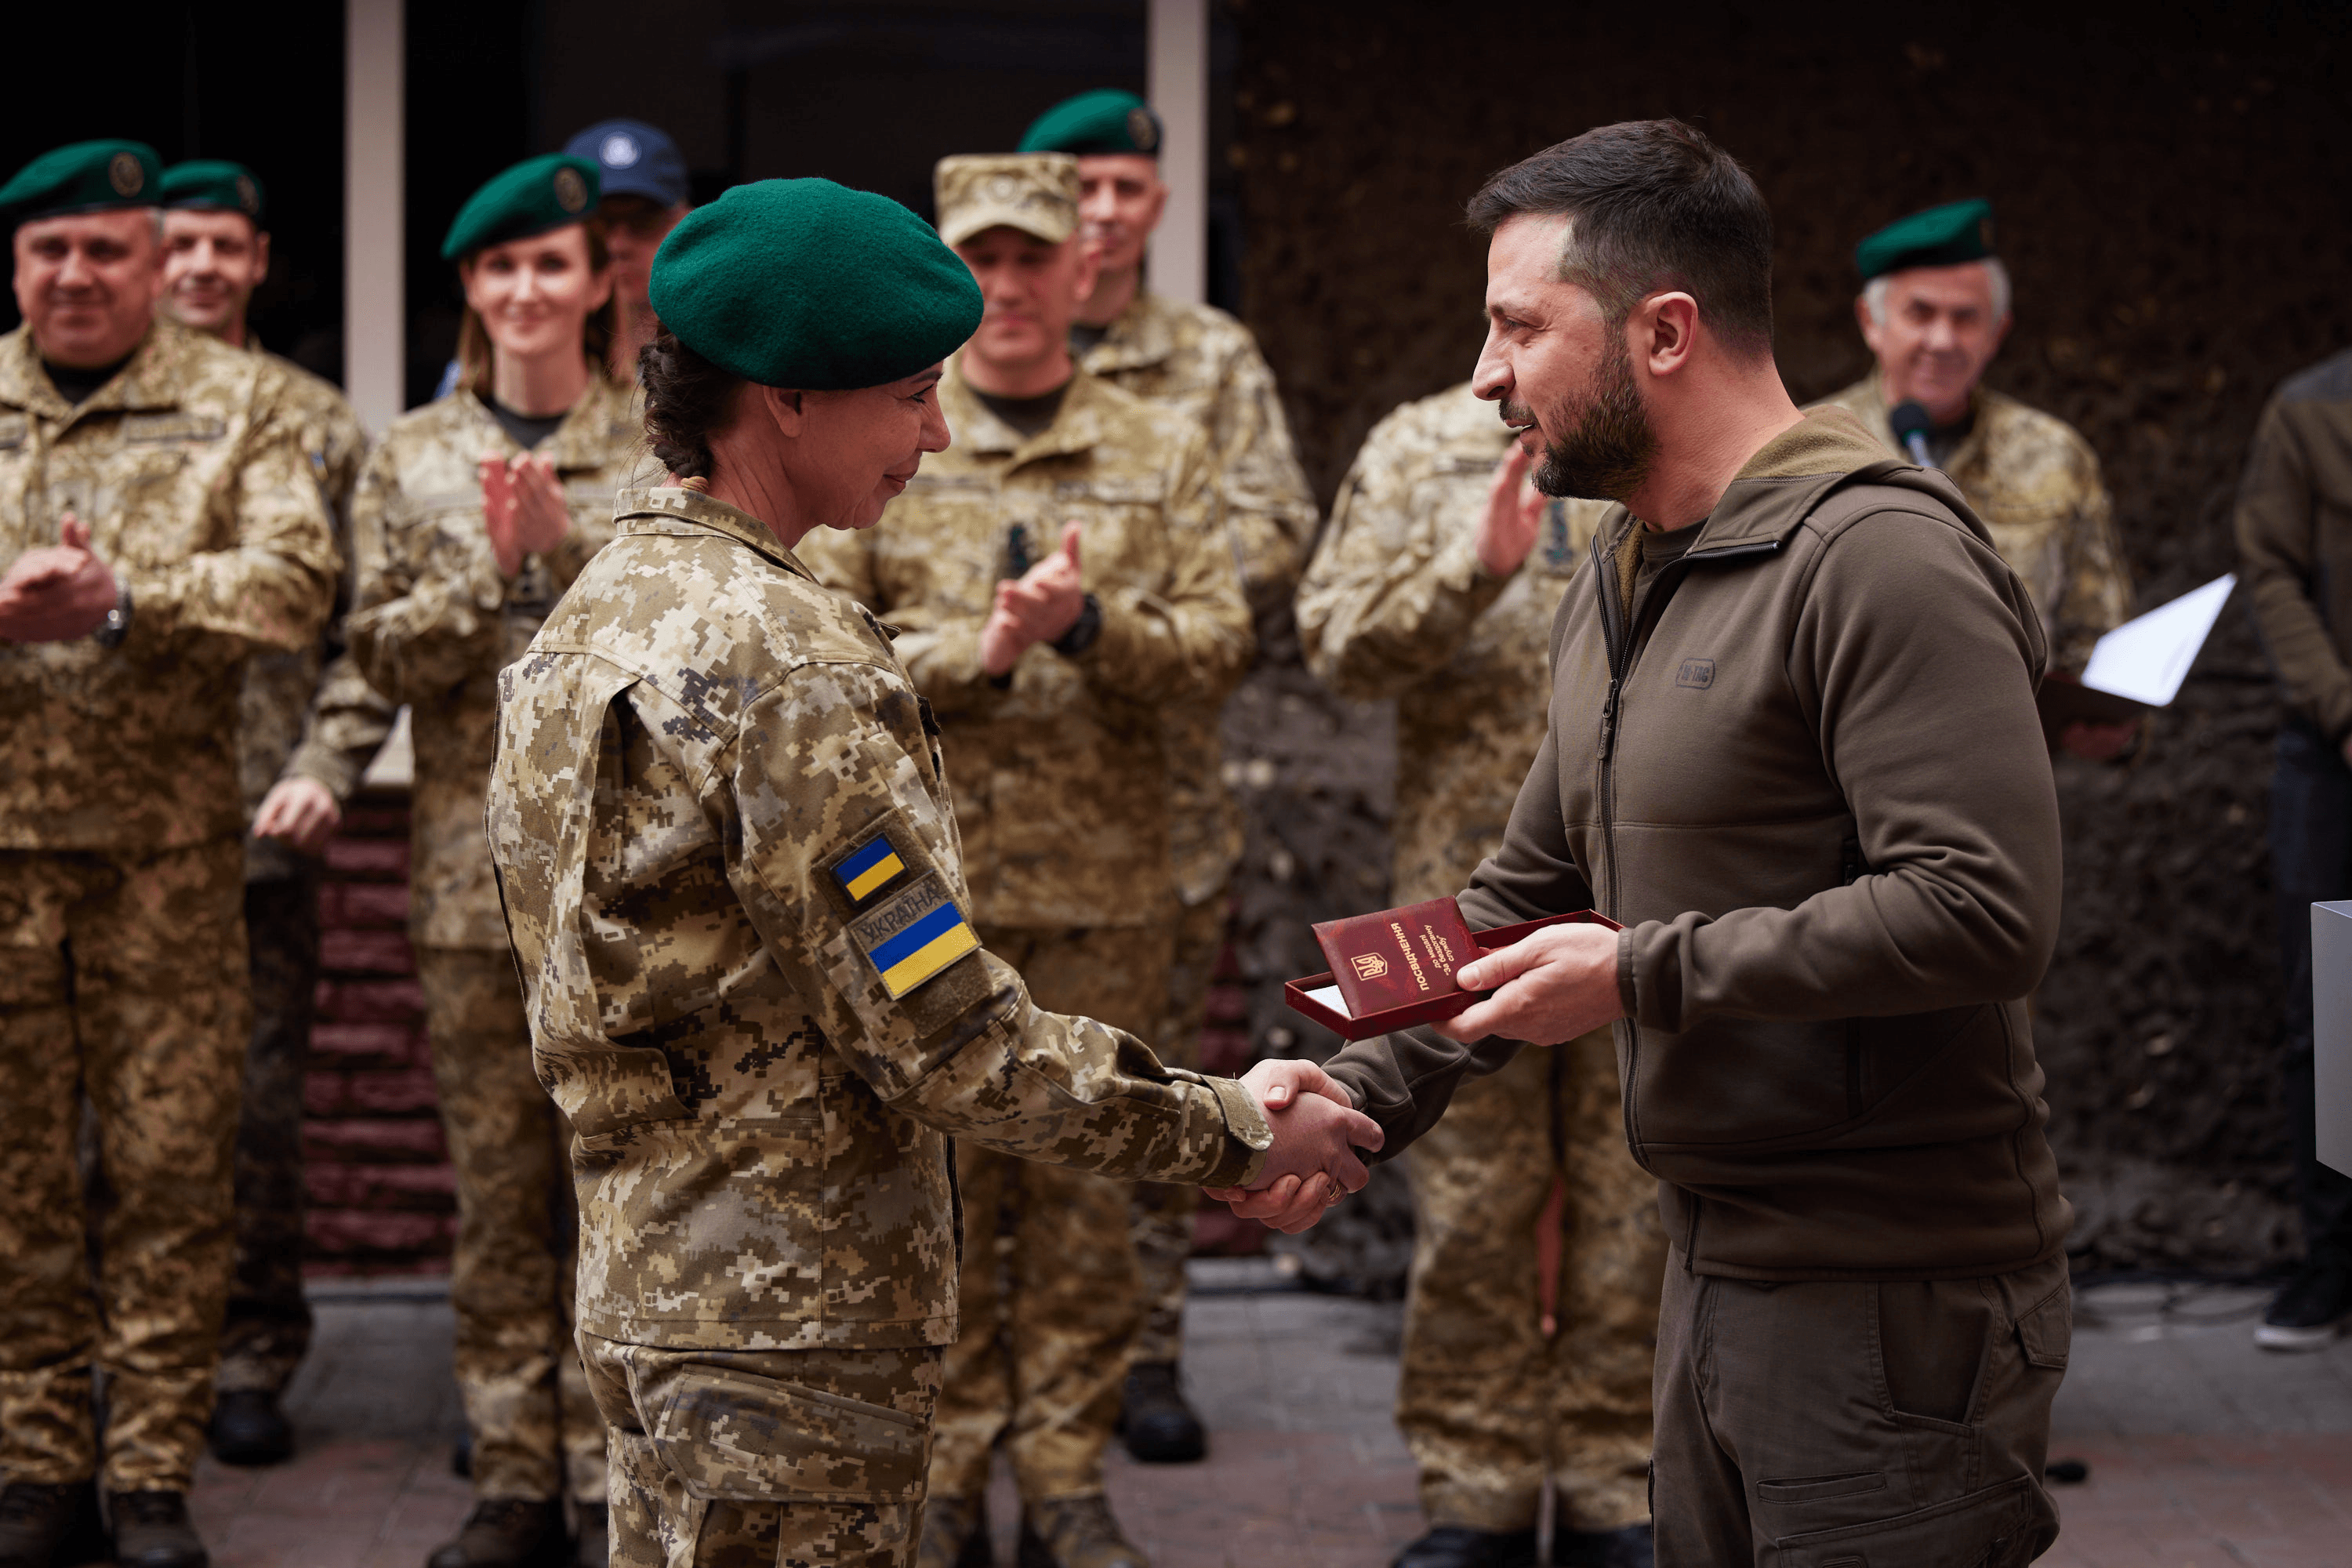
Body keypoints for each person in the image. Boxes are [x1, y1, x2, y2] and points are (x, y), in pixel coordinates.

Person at [482, 172, 1377, 1568]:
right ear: (786, 397)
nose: (938, 433)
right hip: (800, 1326)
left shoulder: (595, 614)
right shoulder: (790, 666)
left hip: (654, 1288)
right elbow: (948, 1041)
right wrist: (1229, 1130)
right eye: (908, 395)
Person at [1220, 119, 2074, 1567]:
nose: (1487, 375)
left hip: (1891, 1295)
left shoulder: (1882, 555)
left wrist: (1640, 972)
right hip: (1716, 1264)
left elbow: (1985, 909)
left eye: (1517, 327)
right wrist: (1349, 1078)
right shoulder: (1620, 573)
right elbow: (1518, 897)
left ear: (1665, 331)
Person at [795, 152, 1250, 1568]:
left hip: (1112, 887)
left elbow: (1224, 642)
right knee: (934, 1200)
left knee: (1086, 1205)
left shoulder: (1160, 443)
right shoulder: (893, 432)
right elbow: (833, 647)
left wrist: (1094, 629)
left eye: (1033, 259)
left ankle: (1064, 1479)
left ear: (1081, 272)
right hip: (930, 902)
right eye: (981, 260)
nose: (1007, 288)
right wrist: (982, 653)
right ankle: (947, 1486)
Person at [0, 140, 339, 1568]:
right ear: (17, 266)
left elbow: (294, 581)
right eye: (48, 250)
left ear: (155, 261)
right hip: (3, 862)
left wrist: (124, 595)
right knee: (15, 1178)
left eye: (105, 249)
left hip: (169, 867)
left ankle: (149, 1474)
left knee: (170, 1173)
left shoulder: (245, 405)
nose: (75, 274)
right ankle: (34, 1466)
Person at [342, 153, 637, 1568]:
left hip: (635, 891)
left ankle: (612, 1478)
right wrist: (484, 572)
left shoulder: (660, 445)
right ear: (471, 287)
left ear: (595, 287)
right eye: (499, 269)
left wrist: (561, 553)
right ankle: (516, 1478)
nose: (526, 291)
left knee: (622, 1190)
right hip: (477, 890)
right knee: (499, 1201)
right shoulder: (407, 455)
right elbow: (374, 650)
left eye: (552, 266)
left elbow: (675, 637)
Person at [1017, 89, 1321, 1461]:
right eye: (1074, 187)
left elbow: (1274, 531)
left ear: (1154, 201)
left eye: (1124, 188)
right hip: (1000, 807)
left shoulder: (1209, 358)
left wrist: (1128, 593)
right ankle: (1002, 1381)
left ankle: (1141, 1360)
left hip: (1158, 797)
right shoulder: (975, 347)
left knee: (1146, 1082)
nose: (1098, 212)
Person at [1296, 395, 1651, 1568]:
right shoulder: (1414, 448)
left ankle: (1621, 1485)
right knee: (1471, 1216)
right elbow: (1337, 644)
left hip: (1646, 896)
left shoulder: (1661, 433)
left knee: (1639, 1209)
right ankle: (1477, 1491)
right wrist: (1469, 570)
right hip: (1465, 904)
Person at [154, 156, 397, 1469]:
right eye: (177, 244)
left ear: (258, 264)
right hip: (85, 831)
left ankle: (247, 1354)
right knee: (74, 1125)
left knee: (255, 1113)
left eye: (223, 247)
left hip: (258, 831)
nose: (199, 267)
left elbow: (369, 627)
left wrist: (329, 761)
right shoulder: (66, 410)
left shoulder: (316, 423)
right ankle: (98, 1362)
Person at [1808, 198, 2135, 760]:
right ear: (1871, 323)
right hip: (1840, 783)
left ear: (1997, 331)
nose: (1943, 340)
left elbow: (2095, 630)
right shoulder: (1808, 448)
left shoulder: (2055, 455)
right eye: (1921, 314)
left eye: (1965, 318)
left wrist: (2112, 720)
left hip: (2003, 780)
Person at [2236, 347, 2352, 1350]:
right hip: (2333, 756)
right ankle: (2333, 1261)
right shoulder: (2307, 408)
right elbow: (2272, 570)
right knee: (2336, 1011)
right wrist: (2344, 709)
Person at [560, 119, 691, 379]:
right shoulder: (509, 372)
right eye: (597, 226)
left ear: (685, 223)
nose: (617, 246)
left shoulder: (721, 370)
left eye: (644, 222)